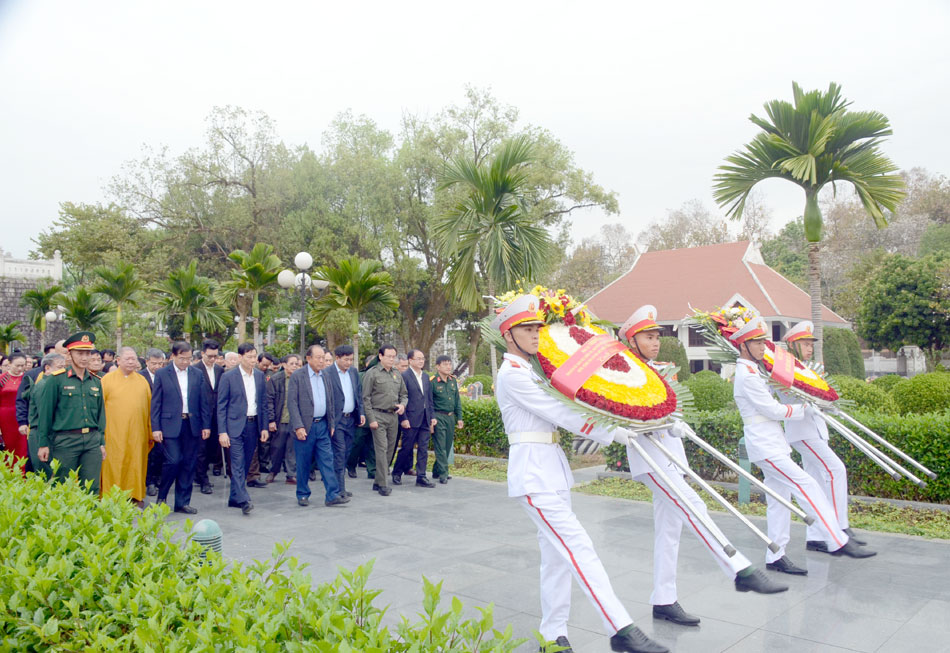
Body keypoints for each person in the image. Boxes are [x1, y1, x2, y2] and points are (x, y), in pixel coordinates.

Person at [493, 294, 668, 653]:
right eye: (526, 329)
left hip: (551, 470)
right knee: (578, 546)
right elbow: (562, 412)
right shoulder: (512, 376)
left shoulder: (531, 371)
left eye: (537, 328)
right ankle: (620, 628)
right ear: (508, 335)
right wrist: (612, 430)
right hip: (533, 475)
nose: (535, 335)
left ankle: (552, 634)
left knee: (557, 555)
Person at [617, 306, 786, 628]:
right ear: (631, 339)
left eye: (656, 336)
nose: (655, 342)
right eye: (648, 337)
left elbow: (664, 408)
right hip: (649, 457)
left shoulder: (656, 370)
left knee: (670, 531)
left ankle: (663, 600)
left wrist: (675, 423)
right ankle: (739, 570)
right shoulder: (624, 372)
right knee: (693, 505)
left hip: (670, 453)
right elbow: (623, 412)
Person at [731, 317, 875, 575]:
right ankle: (837, 539)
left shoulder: (755, 372)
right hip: (765, 446)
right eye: (757, 342)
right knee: (805, 484)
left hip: (773, 443)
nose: (763, 347)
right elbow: (773, 409)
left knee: (779, 500)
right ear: (743, 346)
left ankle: (776, 556)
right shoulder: (748, 376)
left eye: (764, 341)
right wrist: (805, 408)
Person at [781, 321, 867, 552]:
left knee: (817, 482)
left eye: (811, 344)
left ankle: (816, 537)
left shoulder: (807, 369)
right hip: (803, 431)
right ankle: (840, 528)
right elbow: (787, 398)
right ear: (792, 345)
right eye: (805, 344)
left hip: (815, 429)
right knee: (836, 470)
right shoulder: (785, 370)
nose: (809, 348)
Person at [33, 331, 107, 493]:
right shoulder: (56, 379)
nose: (84, 358)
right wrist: (43, 444)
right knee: (62, 485)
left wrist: (101, 442)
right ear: (69, 354)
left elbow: (101, 414)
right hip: (65, 440)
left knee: (91, 487)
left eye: (87, 353)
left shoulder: (95, 381)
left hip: (92, 440)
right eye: (79, 353)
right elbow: (45, 414)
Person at [150, 341, 211, 514]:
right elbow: (156, 403)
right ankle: (162, 496)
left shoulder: (197, 374)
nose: (186, 362)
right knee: (173, 460)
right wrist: (156, 427)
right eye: (182, 358)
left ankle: (182, 501)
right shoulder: (163, 373)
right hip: (169, 425)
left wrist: (206, 425)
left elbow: (203, 402)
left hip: (191, 424)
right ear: (173, 357)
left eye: (189, 359)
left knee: (188, 463)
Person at [287, 345, 348, 507]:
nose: (322, 361)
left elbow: (331, 401)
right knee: (303, 462)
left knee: (327, 459)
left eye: (324, 357)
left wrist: (332, 423)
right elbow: (292, 403)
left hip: (323, 425)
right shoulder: (298, 376)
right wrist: (298, 426)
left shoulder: (325, 376)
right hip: (305, 426)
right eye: (318, 357)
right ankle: (302, 493)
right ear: (308, 359)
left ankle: (332, 495)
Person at [217, 343, 269, 515]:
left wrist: (264, 427)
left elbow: (263, 404)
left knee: (246, 463)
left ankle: (234, 497)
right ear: (240, 358)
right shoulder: (228, 377)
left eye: (255, 356)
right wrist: (222, 431)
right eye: (249, 356)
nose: (253, 360)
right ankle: (244, 499)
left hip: (253, 425)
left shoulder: (260, 376)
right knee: (238, 463)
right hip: (234, 427)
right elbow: (221, 406)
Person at [101, 347, 153, 504]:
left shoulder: (142, 381)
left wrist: (150, 432)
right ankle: (111, 497)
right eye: (127, 359)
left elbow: (149, 408)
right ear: (118, 361)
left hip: (137, 433)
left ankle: (135, 496)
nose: (131, 362)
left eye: (134, 359)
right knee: (114, 464)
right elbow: (99, 409)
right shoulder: (107, 380)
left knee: (136, 463)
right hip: (113, 432)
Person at [361, 345, 407, 496]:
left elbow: (404, 394)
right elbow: (366, 399)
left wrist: (402, 405)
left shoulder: (396, 374)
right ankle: (383, 484)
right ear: (380, 356)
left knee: (389, 450)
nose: (391, 359)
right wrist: (371, 419)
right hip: (378, 415)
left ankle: (377, 481)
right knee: (381, 449)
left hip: (393, 416)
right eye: (389, 356)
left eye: (394, 357)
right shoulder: (372, 373)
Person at [324, 345, 365, 497]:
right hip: (337, 420)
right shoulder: (327, 373)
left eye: (351, 360)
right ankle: (338, 489)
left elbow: (358, 394)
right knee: (339, 453)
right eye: (346, 360)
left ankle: (339, 486)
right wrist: (330, 421)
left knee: (346, 453)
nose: (349, 363)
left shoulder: (353, 372)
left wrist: (361, 412)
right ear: (337, 358)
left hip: (351, 419)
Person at [392, 349, 436, 488]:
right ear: (410, 360)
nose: (421, 361)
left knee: (423, 448)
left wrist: (432, 417)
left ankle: (421, 476)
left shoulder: (425, 377)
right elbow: (401, 398)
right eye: (418, 358)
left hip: (424, 418)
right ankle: (397, 472)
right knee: (407, 447)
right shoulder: (405, 376)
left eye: (423, 358)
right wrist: (403, 418)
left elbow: (429, 399)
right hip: (410, 418)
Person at [21, 352, 65, 477]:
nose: (62, 370)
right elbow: (45, 414)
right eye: (59, 367)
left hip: (48, 432)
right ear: (47, 368)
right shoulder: (44, 385)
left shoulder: (54, 384)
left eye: (64, 367)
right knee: (46, 474)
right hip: (41, 432)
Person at [193, 339, 225, 492]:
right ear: (202, 354)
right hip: (200, 415)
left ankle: (202, 474)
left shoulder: (220, 370)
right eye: (209, 356)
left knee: (213, 446)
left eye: (215, 356)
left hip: (216, 414)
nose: (212, 359)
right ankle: (202, 479)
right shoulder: (195, 370)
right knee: (201, 449)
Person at [265, 354, 301, 485]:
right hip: (280, 419)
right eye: (292, 363)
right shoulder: (275, 379)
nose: (295, 366)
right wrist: (271, 420)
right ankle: (273, 471)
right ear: (284, 365)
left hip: (295, 421)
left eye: (296, 364)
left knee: (292, 449)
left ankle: (291, 475)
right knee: (277, 448)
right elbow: (269, 400)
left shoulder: (300, 379)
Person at [430, 355, 463, 484]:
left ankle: (436, 470)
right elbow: (429, 402)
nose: (448, 367)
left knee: (447, 446)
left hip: (450, 417)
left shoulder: (452, 380)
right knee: (440, 446)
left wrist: (459, 417)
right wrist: (431, 419)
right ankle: (444, 473)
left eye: (450, 364)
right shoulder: (432, 381)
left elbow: (457, 401)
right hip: (439, 417)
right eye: (445, 364)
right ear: (438, 366)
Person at [346, 354, 378, 481]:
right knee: (357, 442)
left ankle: (372, 470)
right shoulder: (360, 376)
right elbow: (357, 396)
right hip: (363, 415)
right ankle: (351, 465)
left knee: (373, 444)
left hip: (376, 415)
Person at [140, 348, 166, 496]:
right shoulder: (140, 377)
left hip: (164, 419)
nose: (157, 367)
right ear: (147, 362)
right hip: (146, 419)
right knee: (149, 453)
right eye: (154, 363)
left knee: (161, 452)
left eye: (160, 363)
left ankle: (158, 479)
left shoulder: (165, 375)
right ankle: (148, 481)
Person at [0, 352, 29, 472]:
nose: (20, 368)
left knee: (22, 447)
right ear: (9, 364)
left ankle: (22, 474)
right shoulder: (2, 379)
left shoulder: (27, 379)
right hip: (5, 417)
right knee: (8, 446)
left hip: (22, 416)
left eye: (23, 365)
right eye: (17, 365)